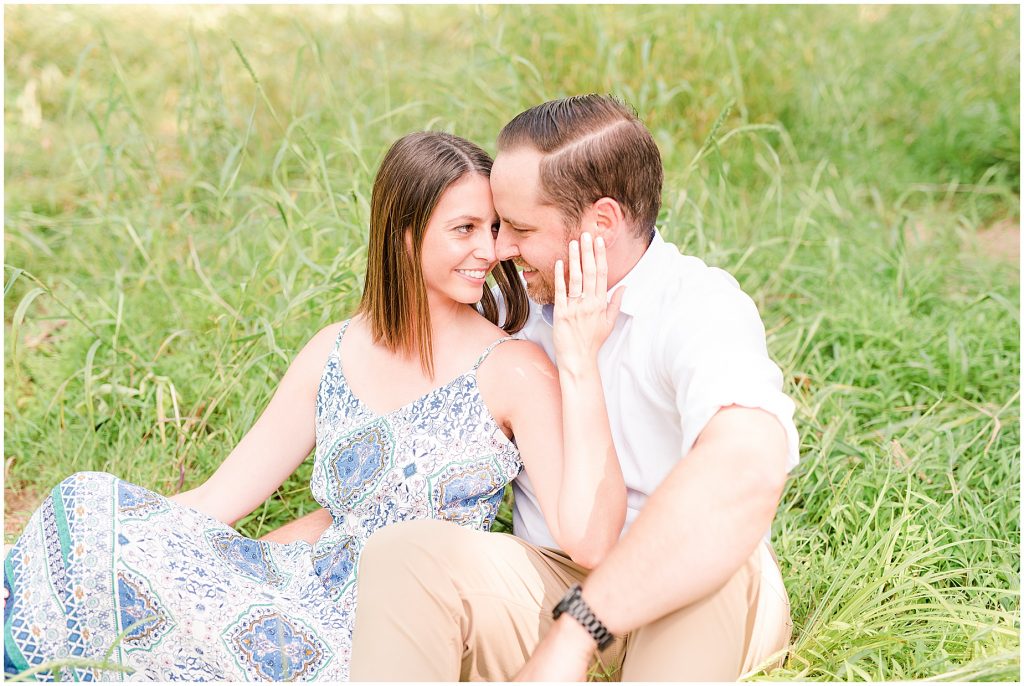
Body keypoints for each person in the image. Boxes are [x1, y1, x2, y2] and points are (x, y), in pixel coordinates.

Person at [2, 131, 626, 681]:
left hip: (388, 626)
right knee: (86, 504)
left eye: (492, 229)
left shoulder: (514, 369)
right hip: (295, 581)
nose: (489, 251)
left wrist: (579, 358)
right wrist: (121, 541)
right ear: (404, 237)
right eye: (463, 229)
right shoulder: (335, 350)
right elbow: (219, 502)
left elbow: (584, 541)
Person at [316, 95, 798, 681]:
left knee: (726, 563)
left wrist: (579, 630)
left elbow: (745, 468)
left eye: (517, 227)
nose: (500, 250)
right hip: (552, 573)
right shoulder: (515, 304)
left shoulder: (698, 309)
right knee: (403, 554)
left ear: (600, 223)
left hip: (694, 577)